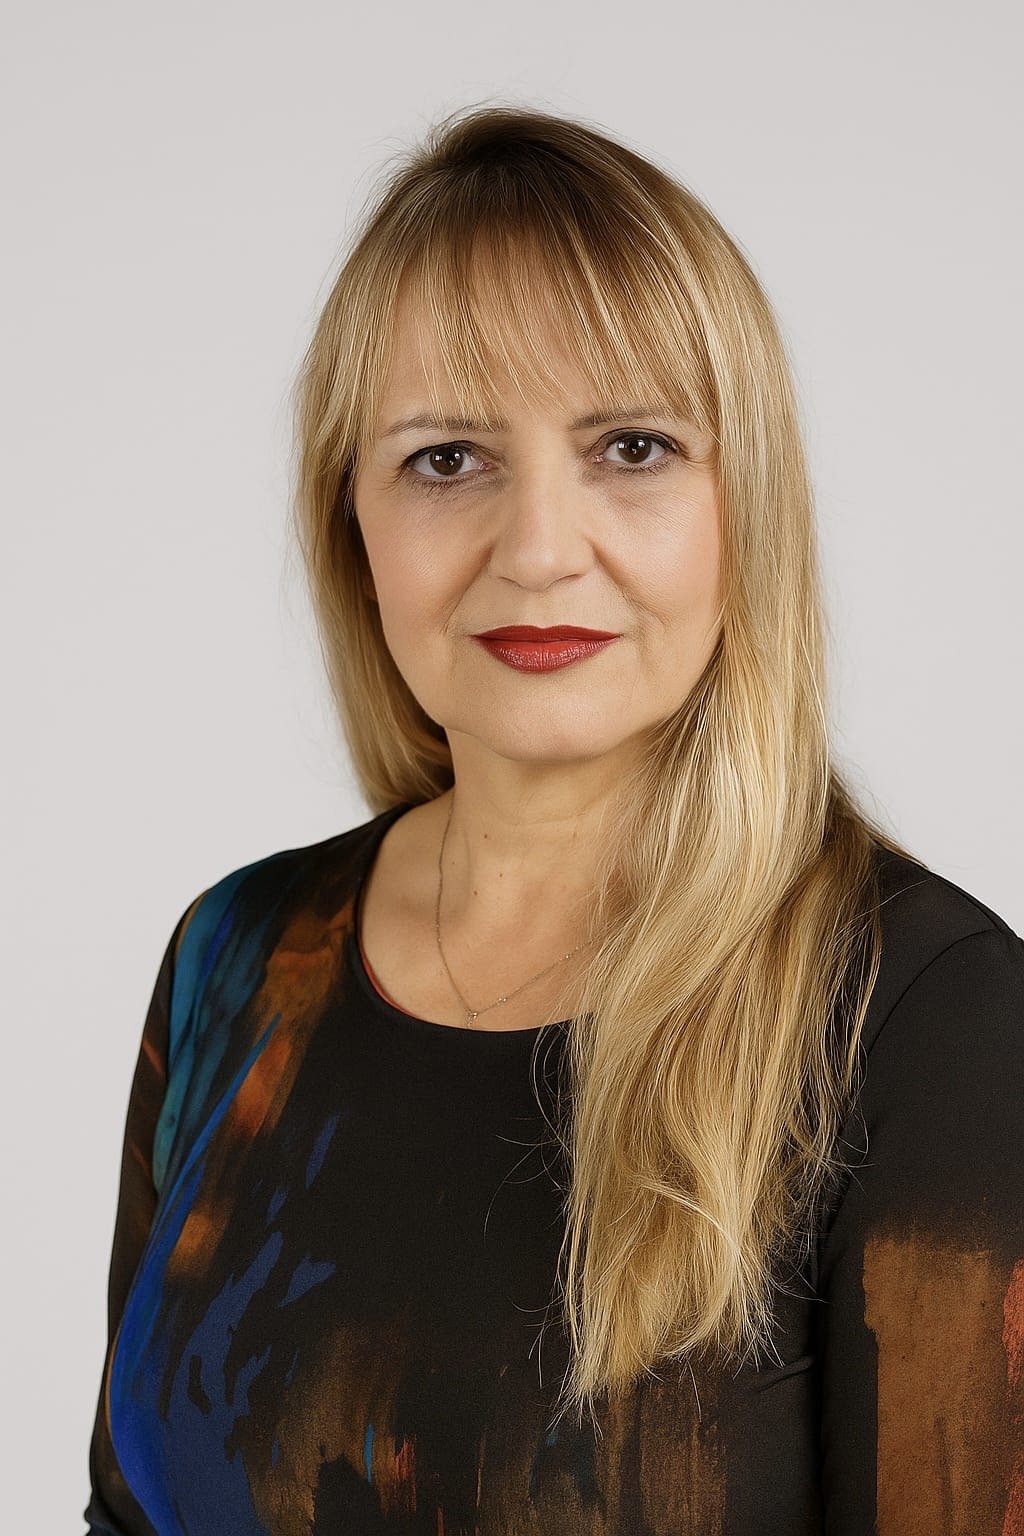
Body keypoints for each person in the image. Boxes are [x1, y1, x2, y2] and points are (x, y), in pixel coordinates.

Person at [83, 104, 1024, 1535]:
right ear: (352, 524)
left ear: (742, 509)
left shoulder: (926, 1015)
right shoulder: (238, 959)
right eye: (446, 459)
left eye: (632, 448)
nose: (536, 549)